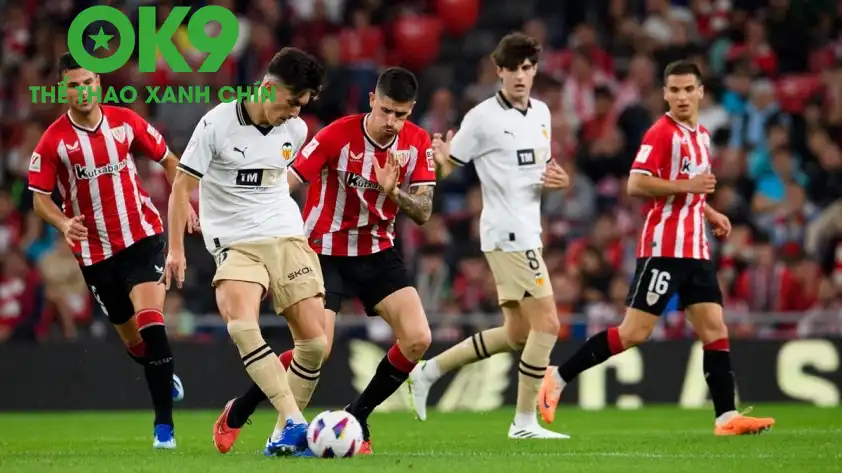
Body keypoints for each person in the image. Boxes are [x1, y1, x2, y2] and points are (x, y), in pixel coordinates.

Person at [537, 60, 776, 436]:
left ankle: (726, 416)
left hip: (696, 248)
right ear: (665, 94)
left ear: (700, 92)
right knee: (634, 332)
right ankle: (558, 376)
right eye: (674, 90)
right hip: (664, 248)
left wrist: (709, 211)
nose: (682, 97)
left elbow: (689, 187)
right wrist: (689, 188)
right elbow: (636, 183)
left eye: (688, 89)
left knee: (714, 327)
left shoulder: (702, 136)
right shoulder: (661, 133)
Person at [220, 67, 437, 455]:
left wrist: (393, 192)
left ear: (412, 110)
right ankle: (243, 406)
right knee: (317, 348)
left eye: (401, 115)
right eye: (386, 111)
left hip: (377, 252)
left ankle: (358, 416)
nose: (391, 122)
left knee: (419, 338)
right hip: (324, 252)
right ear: (372, 100)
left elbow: (423, 211)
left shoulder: (417, 142)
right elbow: (286, 183)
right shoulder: (337, 134)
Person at [161, 48, 328, 457]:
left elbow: (277, 181)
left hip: (285, 234)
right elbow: (182, 184)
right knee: (241, 325)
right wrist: (176, 250)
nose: (295, 113)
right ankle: (297, 424)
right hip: (235, 242)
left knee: (316, 346)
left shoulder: (296, 130)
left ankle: (279, 437)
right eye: (292, 102)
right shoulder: (216, 124)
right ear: (268, 88)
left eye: (302, 105)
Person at [407, 33, 571, 439]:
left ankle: (429, 371)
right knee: (548, 324)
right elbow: (447, 165)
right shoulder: (482, 117)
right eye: (512, 68)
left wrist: (560, 180)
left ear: (535, 70)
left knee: (517, 333)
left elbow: (543, 168)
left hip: (528, 231)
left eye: (526, 68)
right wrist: (437, 158)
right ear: (499, 71)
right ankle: (524, 422)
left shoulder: (542, 113)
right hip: (507, 233)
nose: (519, 75)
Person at [27, 53, 194, 449]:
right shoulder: (54, 140)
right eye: (74, 85)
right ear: (63, 90)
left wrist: (183, 201)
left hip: (142, 238)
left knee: (152, 323)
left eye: (88, 82)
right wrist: (63, 223)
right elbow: (39, 198)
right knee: (135, 343)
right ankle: (160, 372)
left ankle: (164, 429)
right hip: (96, 254)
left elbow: (170, 161)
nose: (82, 90)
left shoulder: (125, 122)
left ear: (98, 83)